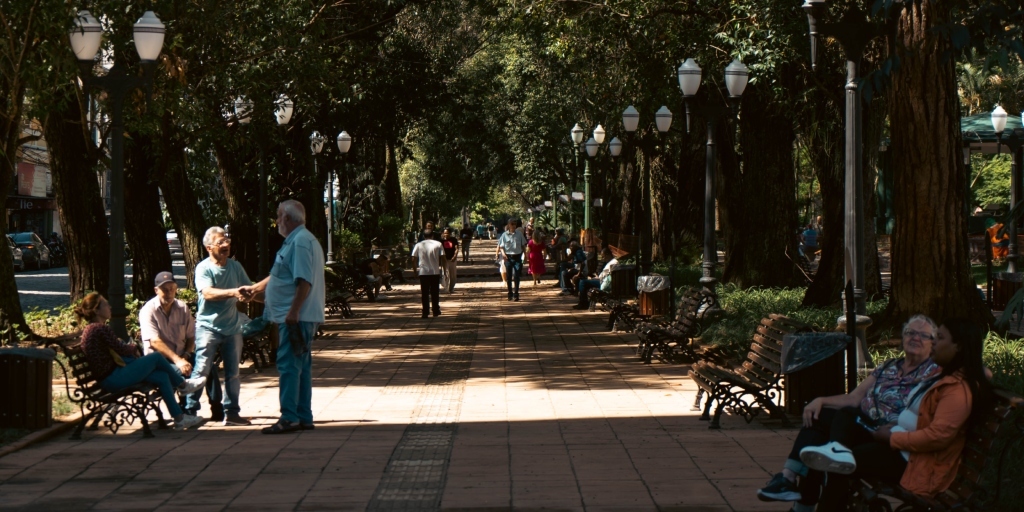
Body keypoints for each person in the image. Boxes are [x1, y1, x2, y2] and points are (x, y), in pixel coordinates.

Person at [757, 315, 941, 509]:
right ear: (903, 337)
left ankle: (801, 501)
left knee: (832, 453)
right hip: (862, 429)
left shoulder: (933, 374)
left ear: (933, 343)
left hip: (888, 438)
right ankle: (789, 476)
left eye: (923, 335)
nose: (915, 338)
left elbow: (926, 416)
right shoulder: (888, 367)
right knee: (820, 417)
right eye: (910, 333)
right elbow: (854, 398)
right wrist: (819, 400)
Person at [808, 318, 991, 509]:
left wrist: (893, 438)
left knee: (840, 465)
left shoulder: (957, 390)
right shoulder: (942, 376)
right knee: (846, 416)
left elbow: (937, 437)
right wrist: (894, 431)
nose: (933, 341)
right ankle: (836, 451)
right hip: (901, 446)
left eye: (940, 337)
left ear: (959, 346)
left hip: (912, 461)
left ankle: (831, 472)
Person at [244, 200, 325, 434]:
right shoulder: (298, 241)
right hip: (297, 316)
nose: (277, 220)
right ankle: (303, 415)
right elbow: (280, 275)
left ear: (288, 219)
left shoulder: (299, 243)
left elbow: (303, 281)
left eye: (279, 216)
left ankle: (290, 417)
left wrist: (293, 311)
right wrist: (255, 290)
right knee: (300, 365)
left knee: (289, 365)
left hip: (296, 318)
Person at [76, 292, 206, 430]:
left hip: (114, 375)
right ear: (96, 310)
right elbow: (123, 350)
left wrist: (129, 348)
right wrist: (133, 347)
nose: (110, 307)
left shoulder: (93, 328)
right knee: (156, 357)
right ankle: (183, 386)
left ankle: (179, 419)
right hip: (113, 379)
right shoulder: (99, 328)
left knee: (162, 376)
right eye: (106, 304)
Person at [187, 227, 254, 426]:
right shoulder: (203, 268)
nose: (226, 245)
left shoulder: (235, 266)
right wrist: (234, 292)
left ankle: (232, 412)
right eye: (220, 243)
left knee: (233, 373)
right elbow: (207, 293)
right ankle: (190, 411)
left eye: (227, 241)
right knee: (201, 370)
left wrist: (256, 295)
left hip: (232, 328)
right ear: (209, 248)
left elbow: (247, 289)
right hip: (208, 328)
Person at [138, 271, 221, 420]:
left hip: (182, 355)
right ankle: (189, 409)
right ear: (156, 290)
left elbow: (191, 336)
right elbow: (154, 341)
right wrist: (178, 360)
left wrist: (187, 354)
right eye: (164, 289)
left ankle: (217, 407)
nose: (169, 292)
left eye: (172, 288)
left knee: (208, 365)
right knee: (182, 371)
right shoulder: (148, 310)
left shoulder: (182, 307)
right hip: (159, 362)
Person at [412, 229, 444, 317]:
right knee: (435, 292)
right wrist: (443, 269)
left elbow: (413, 258)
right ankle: (435, 310)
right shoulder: (438, 244)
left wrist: (415, 271)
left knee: (424, 293)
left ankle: (425, 312)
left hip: (423, 272)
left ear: (423, 236)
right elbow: (443, 257)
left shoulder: (418, 245)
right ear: (432, 236)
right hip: (435, 272)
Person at [497, 219, 528, 301]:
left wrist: (525, 255)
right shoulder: (504, 235)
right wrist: (503, 254)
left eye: (515, 224)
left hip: (517, 257)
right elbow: (501, 247)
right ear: (508, 225)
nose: (513, 225)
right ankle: (510, 293)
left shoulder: (519, 234)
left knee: (517, 275)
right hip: (508, 258)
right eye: (512, 224)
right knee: (509, 277)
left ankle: (516, 294)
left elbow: (523, 246)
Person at [440, 228, 459, 293]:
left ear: (450, 233)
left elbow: (456, 248)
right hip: (445, 260)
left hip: (452, 259)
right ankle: (446, 288)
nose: (446, 234)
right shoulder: (441, 241)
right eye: (445, 233)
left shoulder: (453, 240)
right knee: (445, 274)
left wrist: (455, 256)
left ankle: (451, 288)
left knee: (453, 275)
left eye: (447, 233)